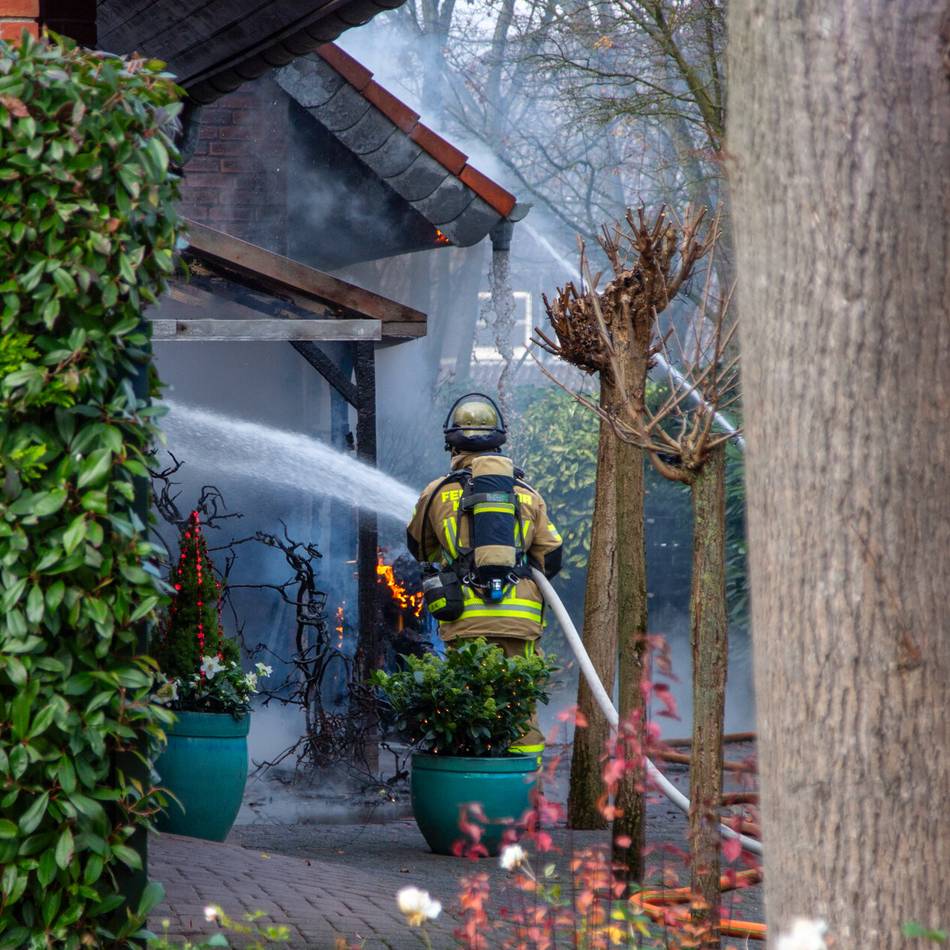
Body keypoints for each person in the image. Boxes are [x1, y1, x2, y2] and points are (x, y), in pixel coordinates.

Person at [406, 393, 563, 760]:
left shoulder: (437, 493)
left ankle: (471, 785)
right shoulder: (527, 494)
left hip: (464, 618)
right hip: (520, 619)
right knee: (521, 706)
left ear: (452, 443)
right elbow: (551, 557)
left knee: (466, 701)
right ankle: (526, 786)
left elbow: (420, 550)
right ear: (499, 440)